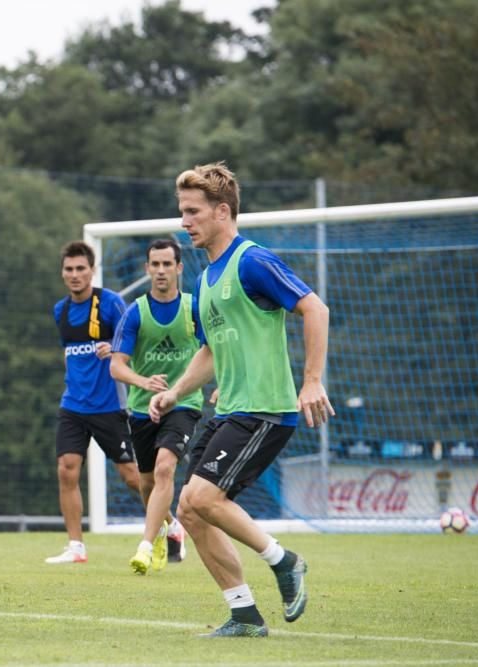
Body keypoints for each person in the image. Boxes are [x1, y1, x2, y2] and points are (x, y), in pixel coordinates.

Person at [149, 163, 333, 638]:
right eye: (181, 213)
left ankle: (284, 561)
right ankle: (245, 614)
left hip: (265, 409)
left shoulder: (252, 261)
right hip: (230, 409)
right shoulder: (206, 279)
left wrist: (312, 380)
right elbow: (210, 350)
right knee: (189, 509)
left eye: (192, 212)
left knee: (204, 497)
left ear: (222, 211)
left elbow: (315, 308)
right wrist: (174, 393)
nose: (184, 222)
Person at [110, 239, 202, 574]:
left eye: (167, 264)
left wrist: (218, 386)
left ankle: (146, 546)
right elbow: (116, 365)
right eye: (155, 264)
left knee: (165, 469)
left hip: (184, 403)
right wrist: (143, 383)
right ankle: (170, 527)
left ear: (179, 268)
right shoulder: (135, 312)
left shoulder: (194, 308)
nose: (161, 270)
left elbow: (215, 350)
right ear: (147, 269)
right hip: (141, 409)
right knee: (146, 483)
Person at [46, 240, 139, 564]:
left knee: (131, 476)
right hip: (73, 406)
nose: (75, 275)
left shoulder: (111, 303)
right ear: (63, 273)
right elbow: (69, 355)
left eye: (80, 269)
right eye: (69, 269)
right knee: (66, 470)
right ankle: (76, 547)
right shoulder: (61, 310)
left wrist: (112, 349)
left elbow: (134, 341)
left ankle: (171, 526)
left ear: (92, 271)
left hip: (109, 406)